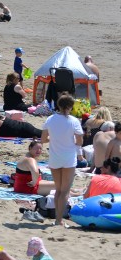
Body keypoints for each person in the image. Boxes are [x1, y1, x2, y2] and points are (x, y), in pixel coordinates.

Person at [41, 94, 84, 226]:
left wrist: (54, 139)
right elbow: (80, 141)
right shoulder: (74, 121)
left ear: (58, 105)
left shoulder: (50, 119)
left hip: (55, 157)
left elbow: (43, 140)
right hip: (69, 158)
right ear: (70, 106)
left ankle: (57, 219)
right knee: (65, 191)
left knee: (58, 190)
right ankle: (59, 220)